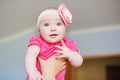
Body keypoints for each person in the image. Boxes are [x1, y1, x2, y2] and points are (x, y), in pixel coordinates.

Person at [24, 3, 83, 80]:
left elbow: (78, 62)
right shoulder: (38, 42)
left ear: (65, 28)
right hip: (37, 77)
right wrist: (32, 72)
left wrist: (71, 55)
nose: (53, 28)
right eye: (46, 24)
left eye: (58, 24)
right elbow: (30, 56)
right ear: (39, 30)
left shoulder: (67, 45)